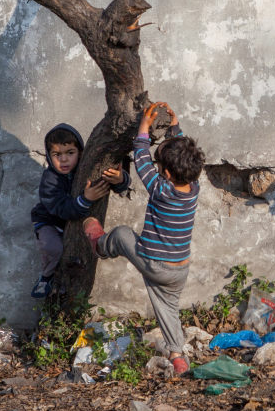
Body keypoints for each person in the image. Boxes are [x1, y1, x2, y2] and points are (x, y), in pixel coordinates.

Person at [83, 102, 204, 375]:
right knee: (167, 309)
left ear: (167, 174)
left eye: (161, 165)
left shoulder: (160, 189)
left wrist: (143, 130)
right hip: (178, 269)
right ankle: (177, 355)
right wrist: (175, 129)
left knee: (123, 235)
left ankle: (100, 245)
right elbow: (180, 160)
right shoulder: (194, 187)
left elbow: (141, 159)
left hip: (153, 262)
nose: (157, 167)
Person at [29, 123, 116, 299]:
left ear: (80, 153)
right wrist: (85, 199)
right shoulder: (50, 179)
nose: (64, 159)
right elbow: (61, 208)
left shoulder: (84, 172)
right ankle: (46, 277)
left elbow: (114, 182)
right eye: (57, 154)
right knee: (53, 248)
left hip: (72, 222)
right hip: (50, 221)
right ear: (48, 156)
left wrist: (120, 179)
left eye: (70, 153)